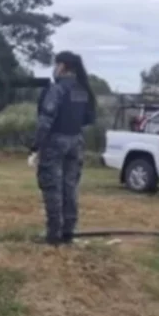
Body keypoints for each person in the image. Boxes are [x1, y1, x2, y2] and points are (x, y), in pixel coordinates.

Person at [29, 50, 97, 246]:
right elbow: (88, 119)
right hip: (76, 141)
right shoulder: (83, 90)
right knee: (70, 187)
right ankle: (69, 230)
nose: (54, 68)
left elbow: (45, 121)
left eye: (56, 64)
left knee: (52, 186)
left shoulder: (57, 89)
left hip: (55, 142)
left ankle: (53, 234)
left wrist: (35, 146)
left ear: (63, 66)